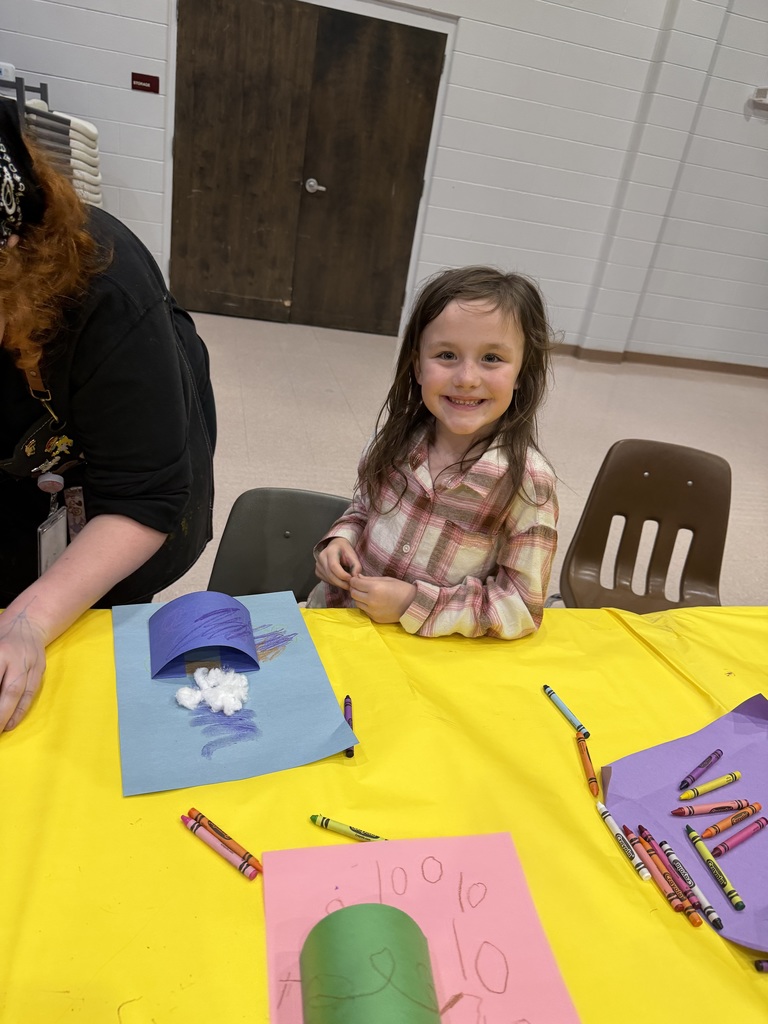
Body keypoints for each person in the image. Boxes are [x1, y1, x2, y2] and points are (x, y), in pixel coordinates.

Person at [0, 100, 216, 731]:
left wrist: (27, 623)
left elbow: (143, 494)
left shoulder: (107, 291)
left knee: (91, 658)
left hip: (111, 493)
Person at [307, 265, 558, 638]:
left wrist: (414, 604)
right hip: (341, 622)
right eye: (446, 355)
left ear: (522, 372)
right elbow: (365, 508)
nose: (467, 378)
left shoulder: (526, 482)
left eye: (492, 358)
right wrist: (341, 539)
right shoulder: (392, 441)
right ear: (417, 367)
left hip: (425, 654)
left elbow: (520, 607)